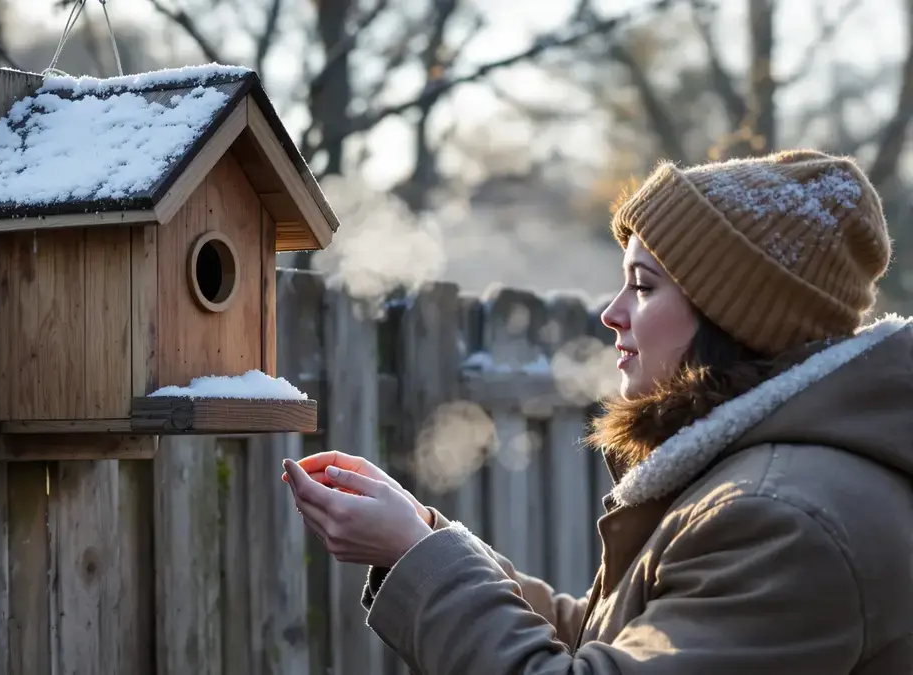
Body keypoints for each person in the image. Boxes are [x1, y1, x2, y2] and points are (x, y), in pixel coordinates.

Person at [281, 149, 913, 673]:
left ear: (736, 316)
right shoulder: (764, 489)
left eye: (642, 285)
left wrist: (421, 558)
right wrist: (420, 541)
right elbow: (602, 642)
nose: (611, 313)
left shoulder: (781, 518)